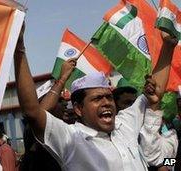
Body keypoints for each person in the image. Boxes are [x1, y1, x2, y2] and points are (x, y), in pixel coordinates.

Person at [14, 22, 176, 171]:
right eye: (97, 99)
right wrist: (19, 48)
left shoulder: (127, 124)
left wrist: (168, 46)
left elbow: (156, 92)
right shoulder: (71, 139)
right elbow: (33, 112)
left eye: (108, 97)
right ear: (78, 108)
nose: (106, 102)